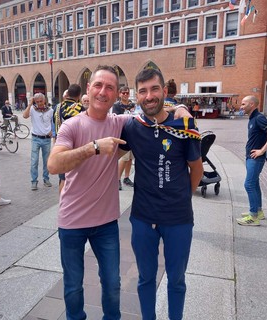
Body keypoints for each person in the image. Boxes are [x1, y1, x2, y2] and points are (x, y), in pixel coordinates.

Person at [47, 65, 191, 319]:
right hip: (71, 221)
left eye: (110, 88)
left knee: (113, 284)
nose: (103, 92)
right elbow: (54, 164)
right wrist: (92, 147)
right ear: (89, 89)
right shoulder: (71, 126)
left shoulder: (122, 122)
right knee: (72, 286)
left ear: (118, 96)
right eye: (98, 86)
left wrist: (179, 109)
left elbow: (153, 112)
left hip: (106, 223)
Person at [119, 68, 203, 320]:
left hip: (178, 218)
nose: (149, 96)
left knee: (177, 279)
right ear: (137, 96)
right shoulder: (132, 127)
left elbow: (196, 169)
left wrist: (181, 196)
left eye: (154, 89)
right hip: (143, 217)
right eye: (142, 91)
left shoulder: (184, 125)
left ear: (165, 92)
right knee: (145, 278)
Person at [236, 95, 267, 226]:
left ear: (252, 104)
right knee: (255, 184)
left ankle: (253, 217)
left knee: (249, 184)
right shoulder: (252, 118)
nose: (241, 106)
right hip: (251, 157)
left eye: (243, 104)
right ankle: (258, 211)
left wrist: (262, 151)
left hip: (256, 158)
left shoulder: (259, 118)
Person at [53, 84, 85, 193]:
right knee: (75, 177)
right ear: (79, 95)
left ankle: (62, 205)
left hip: (60, 145)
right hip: (75, 146)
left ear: (67, 94)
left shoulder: (57, 107)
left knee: (62, 178)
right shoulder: (80, 108)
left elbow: (54, 123)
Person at [23, 92, 53, 190]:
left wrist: (52, 131)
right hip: (36, 138)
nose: (39, 103)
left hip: (46, 139)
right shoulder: (32, 109)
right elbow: (24, 116)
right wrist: (30, 104)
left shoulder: (50, 110)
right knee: (34, 161)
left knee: (46, 161)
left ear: (44, 100)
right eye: (37, 101)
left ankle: (46, 179)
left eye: (41, 101)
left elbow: (54, 122)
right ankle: (34, 181)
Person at [112, 86, 135, 190]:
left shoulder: (132, 104)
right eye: (123, 93)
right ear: (120, 94)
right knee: (124, 158)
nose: (125, 95)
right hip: (122, 133)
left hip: (132, 133)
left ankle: (126, 177)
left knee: (130, 158)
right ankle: (117, 179)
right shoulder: (117, 105)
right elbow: (115, 120)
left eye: (127, 93)